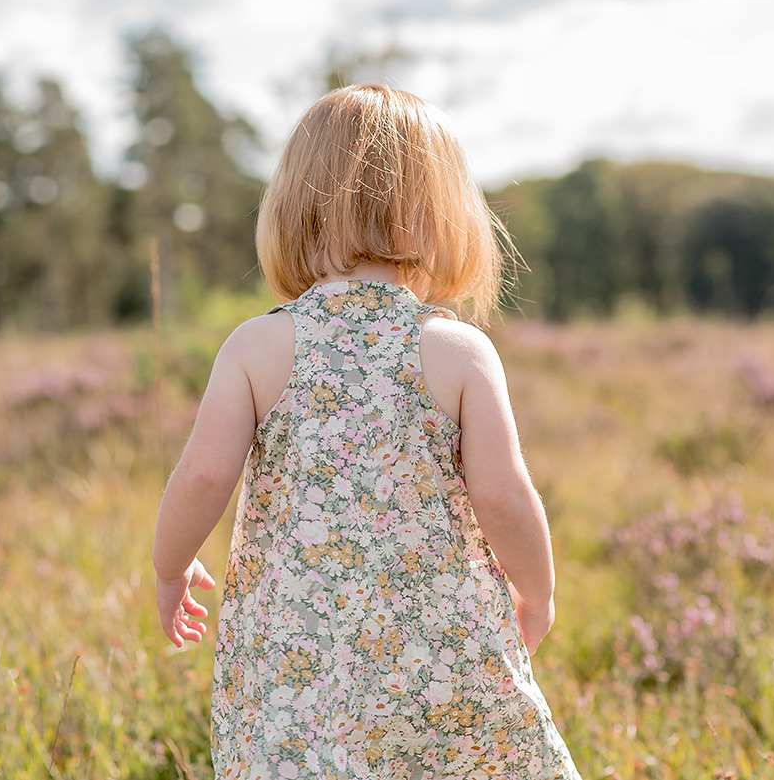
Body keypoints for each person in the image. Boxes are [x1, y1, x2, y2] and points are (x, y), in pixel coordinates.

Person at [152, 84, 581, 779]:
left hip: (302, 668)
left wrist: (170, 566)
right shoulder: (458, 351)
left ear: (294, 208)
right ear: (447, 216)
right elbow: (503, 497)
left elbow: (202, 476)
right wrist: (540, 589)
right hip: (439, 658)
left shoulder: (258, 347)